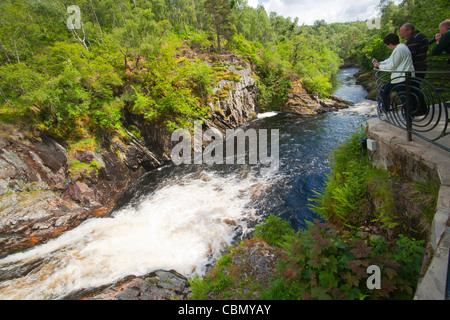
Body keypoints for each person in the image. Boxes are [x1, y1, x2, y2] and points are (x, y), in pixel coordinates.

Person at [373, 33, 415, 113]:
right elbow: (391, 60)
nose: (387, 46)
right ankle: (386, 109)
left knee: (404, 99)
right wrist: (380, 63)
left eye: (387, 45)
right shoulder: (402, 47)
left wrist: (379, 66)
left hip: (400, 78)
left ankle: (408, 118)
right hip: (404, 77)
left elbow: (392, 66)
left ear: (390, 43)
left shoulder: (398, 50)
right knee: (384, 90)